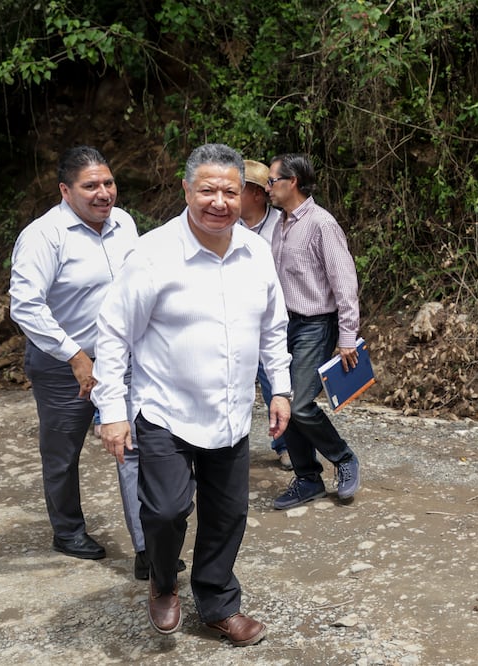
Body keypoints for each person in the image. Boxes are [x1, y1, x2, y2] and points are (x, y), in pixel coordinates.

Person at [93, 143, 292, 647]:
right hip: (165, 411)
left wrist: (281, 388)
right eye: (207, 190)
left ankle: (218, 603)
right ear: (186, 191)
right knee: (163, 511)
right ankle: (163, 579)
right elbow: (114, 334)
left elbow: (274, 328)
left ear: (244, 194)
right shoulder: (153, 255)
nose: (219, 202)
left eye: (230, 191)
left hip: (229, 414)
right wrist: (113, 412)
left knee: (228, 515)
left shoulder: (257, 253)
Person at [9, 146, 156, 574]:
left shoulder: (125, 223)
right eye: (90, 185)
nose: (103, 193)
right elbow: (26, 305)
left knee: (131, 446)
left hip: (118, 358)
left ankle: (147, 548)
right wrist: (74, 354)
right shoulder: (44, 235)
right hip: (62, 365)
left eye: (108, 183)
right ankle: (68, 528)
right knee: (62, 452)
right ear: (65, 190)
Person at [266, 153, 361, 509]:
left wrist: (347, 336)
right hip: (284, 325)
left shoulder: (322, 224)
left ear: (292, 182)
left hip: (315, 325)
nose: (267, 188)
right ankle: (307, 479)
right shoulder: (282, 223)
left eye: (272, 181)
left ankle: (343, 458)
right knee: (282, 401)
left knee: (300, 404)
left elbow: (344, 282)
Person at [238, 158, 290, 470]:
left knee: (276, 383)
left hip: (272, 316)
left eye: (237, 190)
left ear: (256, 194)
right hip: (237, 318)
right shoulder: (225, 224)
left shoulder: (281, 225)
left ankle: (285, 445)